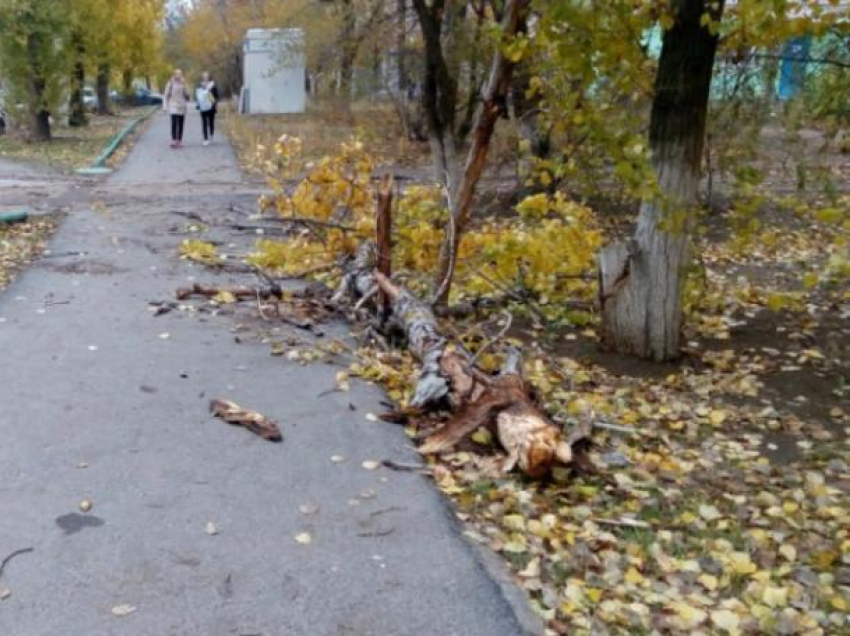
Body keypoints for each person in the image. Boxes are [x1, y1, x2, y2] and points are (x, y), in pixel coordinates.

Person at [163, 69, 189, 148]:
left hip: (182, 105)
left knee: (181, 123)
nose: (179, 75)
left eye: (180, 74)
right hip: (173, 104)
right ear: (174, 75)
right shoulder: (170, 83)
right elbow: (166, 95)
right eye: (177, 74)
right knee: (174, 122)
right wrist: (164, 106)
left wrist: (185, 86)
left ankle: (180, 140)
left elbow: (187, 95)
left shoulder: (183, 83)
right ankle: (174, 139)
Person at [196, 72, 220, 146]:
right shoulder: (200, 85)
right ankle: (205, 139)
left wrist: (214, 101)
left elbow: (217, 96)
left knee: (211, 122)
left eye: (206, 76)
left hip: (211, 107)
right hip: (203, 107)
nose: (205, 77)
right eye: (204, 76)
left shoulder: (213, 86)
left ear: (209, 77)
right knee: (204, 122)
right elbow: (198, 95)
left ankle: (211, 135)